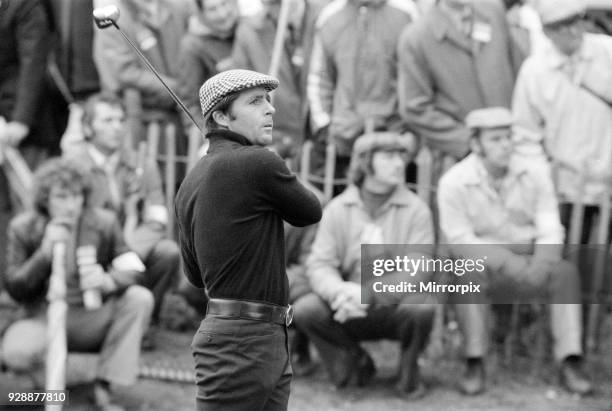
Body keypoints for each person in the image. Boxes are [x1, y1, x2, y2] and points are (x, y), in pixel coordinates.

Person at [175, 69, 322, 410]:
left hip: (246, 335)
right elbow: (310, 210)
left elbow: (196, 276)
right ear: (222, 116)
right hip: (245, 341)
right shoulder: (257, 163)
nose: (270, 109)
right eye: (255, 102)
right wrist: (270, 163)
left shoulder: (191, 181)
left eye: (268, 100)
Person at [437, 107, 592, 396]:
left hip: (530, 259)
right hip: (484, 262)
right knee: (465, 273)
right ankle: (474, 360)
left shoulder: (534, 171)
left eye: (509, 137)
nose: (506, 145)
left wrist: (543, 262)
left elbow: (549, 224)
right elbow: (460, 240)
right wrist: (506, 262)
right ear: (475, 145)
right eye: (496, 139)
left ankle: (570, 360)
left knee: (565, 273)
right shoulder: (454, 182)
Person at [1, 158, 153, 411]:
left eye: (76, 196)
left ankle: (104, 386)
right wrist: (43, 255)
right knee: (17, 352)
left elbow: (135, 269)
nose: (71, 205)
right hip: (42, 317)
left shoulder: (103, 221)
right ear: (45, 199)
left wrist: (108, 280)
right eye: (61, 197)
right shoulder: (23, 227)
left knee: (139, 298)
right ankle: (51, 391)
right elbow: (15, 289)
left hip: (91, 315)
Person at [293, 131, 435, 398]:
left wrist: (367, 294)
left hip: (392, 306)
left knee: (422, 306)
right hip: (346, 306)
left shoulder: (417, 210)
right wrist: (340, 292)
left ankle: (409, 372)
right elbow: (320, 264)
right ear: (365, 162)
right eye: (389, 156)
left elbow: (418, 271)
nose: (399, 164)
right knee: (306, 309)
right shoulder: (338, 209)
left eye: (401, 156)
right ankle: (353, 361)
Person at [63, 93, 180, 343]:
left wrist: (129, 253)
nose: (116, 127)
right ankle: (93, 324)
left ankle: (146, 324)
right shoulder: (74, 166)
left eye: (120, 120)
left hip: (133, 246)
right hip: (91, 248)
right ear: (87, 127)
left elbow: (157, 218)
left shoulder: (141, 163)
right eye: (107, 121)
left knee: (168, 252)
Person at [512, 0, 612, 244]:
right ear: (547, 31)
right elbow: (525, 136)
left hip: (609, 177)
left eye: (577, 21)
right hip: (567, 188)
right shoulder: (534, 72)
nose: (574, 31)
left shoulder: (608, 51)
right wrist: (544, 182)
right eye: (562, 27)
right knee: (573, 261)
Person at [307, 0, 419, 184]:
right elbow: (320, 78)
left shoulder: (405, 12)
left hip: (394, 135)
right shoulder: (330, 17)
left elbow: (417, 76)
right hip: (344, 138)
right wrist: (325, 126)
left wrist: (411, 129)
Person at [397, 0, 523, 160]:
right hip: (459, 156)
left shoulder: (493, 11)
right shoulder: (416, 37)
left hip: (512, 145)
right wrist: (469, 141)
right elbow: (415, 108)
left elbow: (520, 72)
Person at [232, 0, 327, 161]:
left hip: (322, 140)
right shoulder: (250, 31)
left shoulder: (325, 18)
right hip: (279, 141)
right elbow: (239, 92)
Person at [177, 0, 239, 133]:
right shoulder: (192, 47)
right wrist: (207, 138)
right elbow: (189, 103)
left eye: (224, 3)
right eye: (213, 9)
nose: (223, 14)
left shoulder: (244, 31)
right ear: (201, 14)